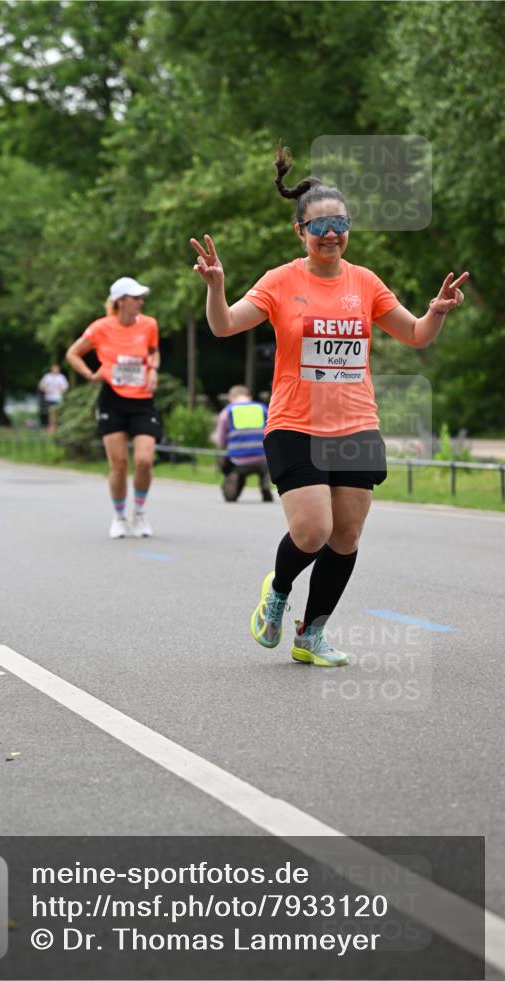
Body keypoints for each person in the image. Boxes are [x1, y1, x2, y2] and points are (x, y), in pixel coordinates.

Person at [190, 144, 468, 667]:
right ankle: (277, 592)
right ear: (301, 232)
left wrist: (436, 311)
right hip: (295, 424)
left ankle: (311, 634)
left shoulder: (365, 282)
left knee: (345, 536)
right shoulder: (280, 280)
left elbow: (415, 335)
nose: (331, 234)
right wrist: (217, 287)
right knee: (312, 532)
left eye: (340, 223)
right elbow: (224, 325)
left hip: (356, 425)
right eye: (320, 226)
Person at [65, 276, 161, 538]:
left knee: (144, 461)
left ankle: (139, 513)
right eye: (135, 298)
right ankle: (119, 517)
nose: (140, 302)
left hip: (142, 399)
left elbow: (153, 351)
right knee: (119, 464)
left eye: (141, 298)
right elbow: (72, 353)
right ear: (120, 301)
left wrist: (153, 369)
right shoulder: (100, 327)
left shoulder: (149, 324)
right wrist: (90, 374)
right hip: (113, 399)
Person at [215, 385, 273, 502]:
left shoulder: (227, 412)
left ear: (231, 398)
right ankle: (265, 484)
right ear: (249, 397)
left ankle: (233, 479)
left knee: (224, 461)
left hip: (237, 460)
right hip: (263, 459)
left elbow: (220, 442)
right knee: (267, 463)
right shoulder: (262, 409)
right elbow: (271, 432)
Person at [38, 363, 69, 432]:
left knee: (56, 412)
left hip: (58, 398)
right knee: (51, 412)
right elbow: (41, 386)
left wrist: (60, 391)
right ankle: (52, 426)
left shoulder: (61, 377)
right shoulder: (47, 377)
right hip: (49, 398)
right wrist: (46, 390)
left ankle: (55, 426)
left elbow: (65, 387)